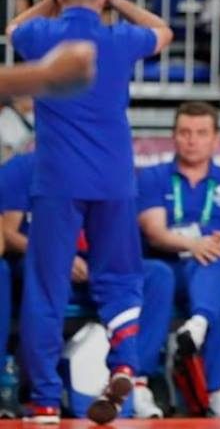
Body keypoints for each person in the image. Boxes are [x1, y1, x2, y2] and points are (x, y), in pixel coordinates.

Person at [4, 0, 172, 424]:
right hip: (115, 178)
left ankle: (41, 401)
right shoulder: (119, 38)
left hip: (57, 178)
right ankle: (124, 364)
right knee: (120, 277)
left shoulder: (42, 36)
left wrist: (54, 0)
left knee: (46, 288)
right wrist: (117, 0)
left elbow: (14, 26)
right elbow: (162, 31)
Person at [0, 152, 176, 419]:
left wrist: (98, 262)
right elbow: (8, 234)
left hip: (97, 264)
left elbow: (120, 240)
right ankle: (45, 393)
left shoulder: (108, 164)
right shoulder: (24, 167)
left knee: (157, 275)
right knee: (41, 278)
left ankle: (136, 379)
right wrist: (61, 257)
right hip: (46, 260)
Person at [136, 101, 220, 418]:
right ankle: (210, 387)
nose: (192, 140)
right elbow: (155, 232)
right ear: (173, 137)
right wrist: (194, 243)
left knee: (216, 260)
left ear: (215, 140)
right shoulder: (153, 176)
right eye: (185, 132)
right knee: (164, 274)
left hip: (211, 268)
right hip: (169, 268)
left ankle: (198, 328)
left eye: (201, 133)